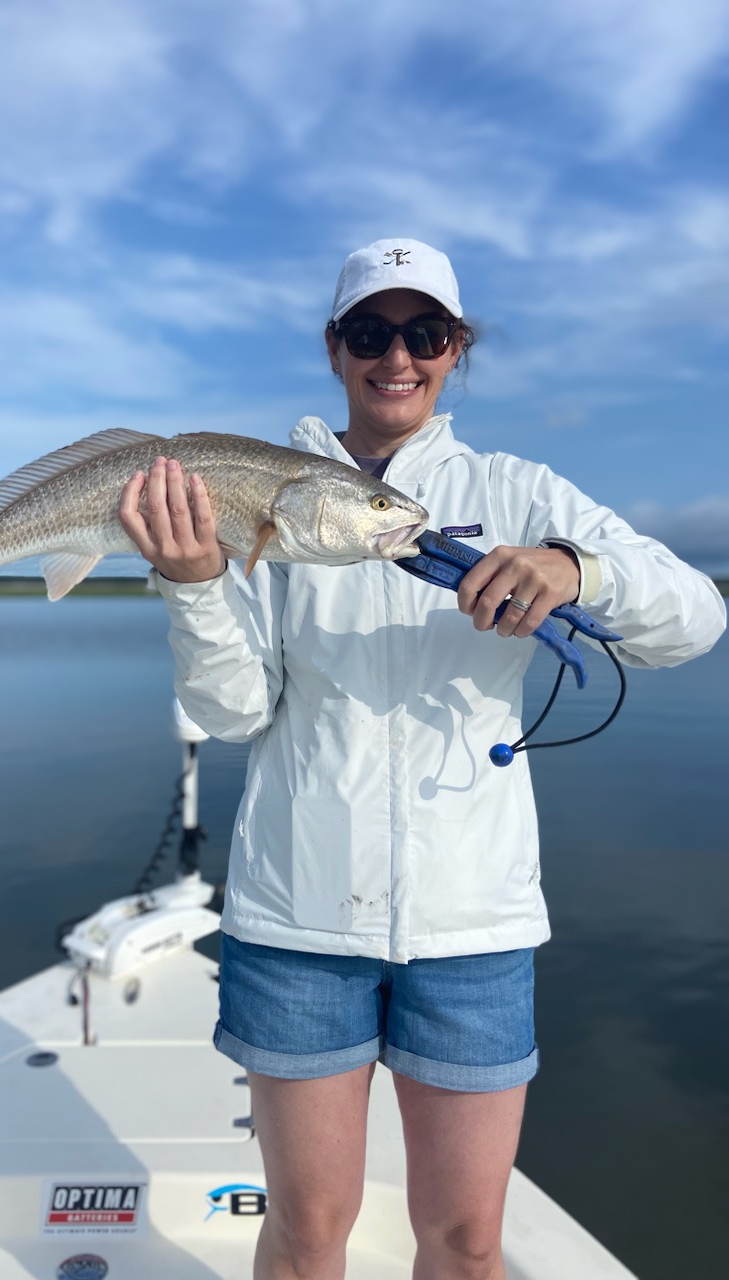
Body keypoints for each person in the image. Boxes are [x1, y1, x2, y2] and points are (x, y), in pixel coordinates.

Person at [118, 238, 726, 1280]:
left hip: (473, 923)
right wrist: (194, 584)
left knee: (468, 1240)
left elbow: (697, 617)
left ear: (456, 351)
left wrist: (575, 567)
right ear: (335, 347)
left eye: (424, 332)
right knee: (308, 1235)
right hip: (297, 919)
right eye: (370, 330)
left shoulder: (518, 485)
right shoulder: (261, 491)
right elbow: (231, 710)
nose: (395, 355)